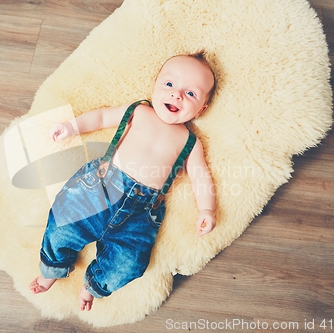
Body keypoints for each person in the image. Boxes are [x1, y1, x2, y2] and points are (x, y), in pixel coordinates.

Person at [29, 52, 217, 311]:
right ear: (155, 84)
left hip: (141, 213)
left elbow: (200, 175)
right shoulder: (139, 111)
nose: (177, 95)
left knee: (130, 262)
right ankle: (53, 267)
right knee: (63, 222)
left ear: (202, 108)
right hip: (99, 187)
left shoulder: (189, 142)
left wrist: (207, 209)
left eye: (191, 94)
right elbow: (102, 117)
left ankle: (94, 285)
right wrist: (72, 127)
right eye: (170, 85)